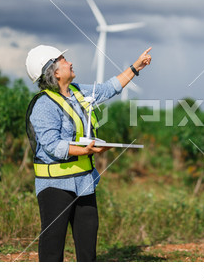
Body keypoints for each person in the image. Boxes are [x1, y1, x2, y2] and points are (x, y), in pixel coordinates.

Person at [25, 45, 152, 262]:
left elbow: (108, 88)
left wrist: (135, 67)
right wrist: (87, 149)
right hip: (54, 186)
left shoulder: (77, 91)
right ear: (54, 72)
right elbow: (52, 146)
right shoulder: (44, 105)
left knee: (88, 249)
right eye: (64, 60)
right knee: (52, 250)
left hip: (84, 183)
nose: (70, 62)